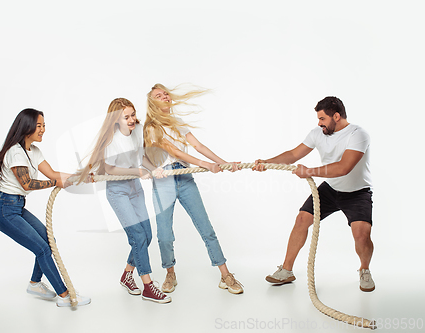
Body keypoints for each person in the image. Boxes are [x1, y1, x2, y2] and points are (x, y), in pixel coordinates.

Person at [253, 96, 375, 292]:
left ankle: (364, 269)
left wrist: (309, 172)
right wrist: (266, 162)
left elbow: (344, 168)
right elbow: (293, 155)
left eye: (322, 119)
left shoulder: (358, 134)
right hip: (331, 188)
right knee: (302, 219)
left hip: (357, 193)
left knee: (361, 235)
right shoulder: (318, 133)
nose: (319, 123)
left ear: (336, 116)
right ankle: (286, 270)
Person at [143, 83, 244, 294]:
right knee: (164, 235)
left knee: (206, 229)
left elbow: (198, 146)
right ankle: (170, 273)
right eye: (158, 95)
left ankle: (226, 275)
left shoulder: (178, 122)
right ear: (152, 103)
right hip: (164, 180)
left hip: (185, 177)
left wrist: (224, 163)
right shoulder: (152, 126)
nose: (164, 96)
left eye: (165, 93)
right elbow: (173, 151)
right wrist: (205, 165)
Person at [0, 108, 91, 307]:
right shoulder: (15, 152)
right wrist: (56, 183)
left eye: (44, 125)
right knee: (43, 249)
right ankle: (65, 295)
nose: (43, 129)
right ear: (26, 127)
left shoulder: (34, 151)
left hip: (17, 207)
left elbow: (53, 173)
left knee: (49, 241)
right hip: (4, 210)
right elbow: (27, 184)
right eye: (39, 125)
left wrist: (80, 177)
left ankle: (35, 283)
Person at [77, 98, 171, 303]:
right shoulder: (111, 140)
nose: (131, 119)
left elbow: (142, 158)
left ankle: (127, 275)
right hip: (118, 191)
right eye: (126, 117)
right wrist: (137, 171)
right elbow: (110, 169)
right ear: (115, 120)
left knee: (147, 235)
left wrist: (151, 168)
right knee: (138, 236)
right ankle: (148, 286)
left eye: (133, 115)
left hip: (135, 189)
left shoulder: (137, 131)